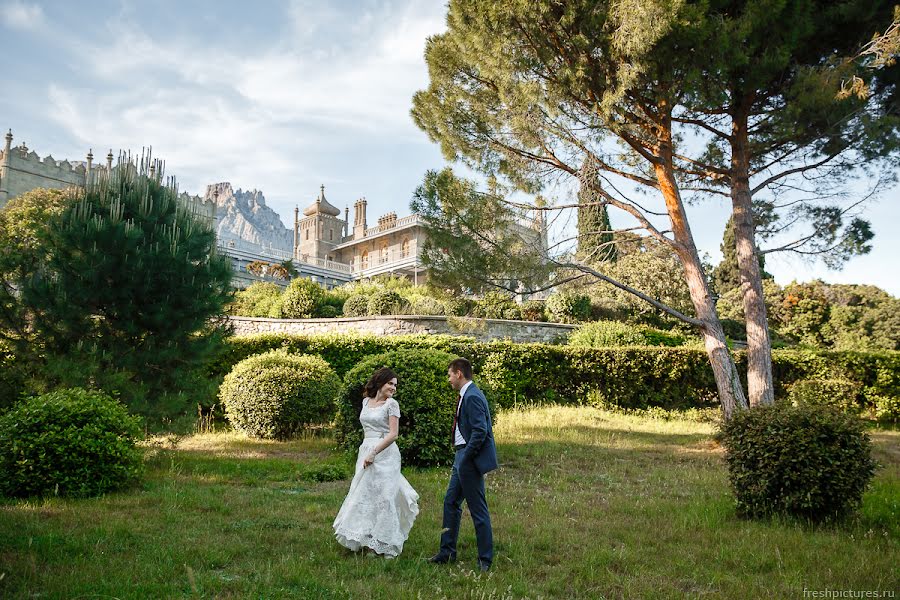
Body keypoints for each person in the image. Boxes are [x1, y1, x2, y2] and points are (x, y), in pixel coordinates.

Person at [333, 367, 419, 558]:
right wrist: (367, 452)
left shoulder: (392, 405)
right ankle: (366, 538)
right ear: (380, 382)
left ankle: (384, 543)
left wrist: (374, 452)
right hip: (365, 450)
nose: (393, 388)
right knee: (365, 494)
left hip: (385, 454)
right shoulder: (366, 402)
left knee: (384, 497)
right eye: (390, 383)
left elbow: (393, 434)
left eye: (395, 385)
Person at [429, 357, 498, 572]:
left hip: (467, 459)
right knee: (450, 502)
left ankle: (485, 560)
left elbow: (480, 431)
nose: (448, 379)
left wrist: (466, 457)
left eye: (449, 374)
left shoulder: (473, 396)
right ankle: (447, 552)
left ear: (459, 373)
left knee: (478, 510)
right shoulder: (466, 394)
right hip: (462, 457)